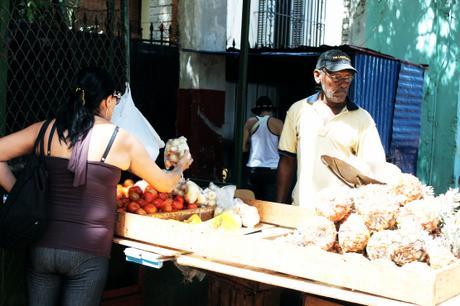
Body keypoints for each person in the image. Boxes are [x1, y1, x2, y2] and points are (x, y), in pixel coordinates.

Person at [0, 67, 193, 306]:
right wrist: (179, 168)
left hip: (42, 247)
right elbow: (163, 184)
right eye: (115, 100)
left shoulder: (46, 129)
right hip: (88, 254)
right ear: (107, 100)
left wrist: (21, 194)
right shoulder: (121, 140)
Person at [276, 49, 386, 207]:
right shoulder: (299, 110)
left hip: (342, 213)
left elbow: (373, 168)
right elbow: (287, 160)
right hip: (303, 208)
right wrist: (279, 207)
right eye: (336, 77)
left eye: (347, 78)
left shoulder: (363, 118)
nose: (342, 84)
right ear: (317, 76)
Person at [243, 96, 283, 201]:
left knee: (253, 203)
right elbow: (285, 148)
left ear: (257, 111)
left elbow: (243, 148)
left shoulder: (250, 122)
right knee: (270, 205)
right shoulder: (278, 124)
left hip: (254, 170)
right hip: (272, 171)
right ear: (271, 110)